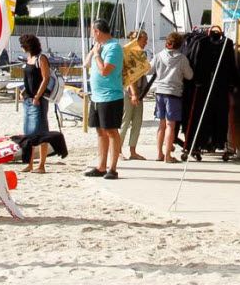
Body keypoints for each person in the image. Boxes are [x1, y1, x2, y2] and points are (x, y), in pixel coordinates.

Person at [84, 18, 125, 179]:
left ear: (97, 31)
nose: (91, 35)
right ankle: (101, 166)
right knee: (100, 131)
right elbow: (86, 64)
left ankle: (112, 168)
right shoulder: (99, 47)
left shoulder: (114, 48)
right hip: (97, 96)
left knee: (111, 131)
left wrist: (97, 55)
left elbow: (105, 71)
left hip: (110, 96)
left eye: (92, 31)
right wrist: (93, 52)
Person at [150, 31, 195, 161]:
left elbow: (148, 69)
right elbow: (189, 76)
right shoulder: (182, 59)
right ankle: (168, 156)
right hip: (174, 93)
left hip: (159, 92)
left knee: (162, 125)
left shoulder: (158, 56)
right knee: (171, 125)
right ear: (180, 45)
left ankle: (159, 154)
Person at [18, 33, 52, 173]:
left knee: (41, 131)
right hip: (28, 98)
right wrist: (23, 90)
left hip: (39, 99)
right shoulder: (29, 58)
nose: (21, 47)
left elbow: (45, 78)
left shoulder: (41, 58)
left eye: (22, 45)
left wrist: (38, 96)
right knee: (28, 132)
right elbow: (29, 79)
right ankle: (30, 163)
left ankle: (42, 165)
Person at [121, 29, 151, 160]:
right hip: (129, 92)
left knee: (137, 122)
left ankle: (133, 151)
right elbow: (129, 76)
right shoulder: (128, 52)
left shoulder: (140, 53)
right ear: (137, 40)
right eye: (144, 40)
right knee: (125, 121)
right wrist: (133, 94)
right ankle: (118, 150)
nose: (146, 43)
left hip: (139, 92)